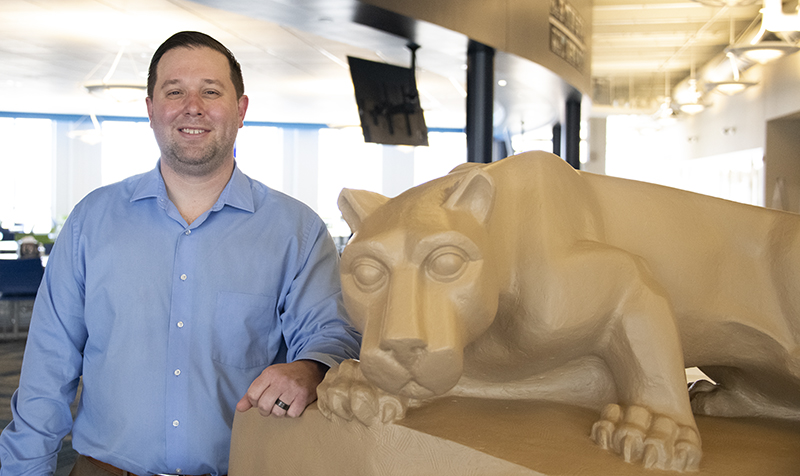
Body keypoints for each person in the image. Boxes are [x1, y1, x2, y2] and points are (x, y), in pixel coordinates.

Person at [0, 31, 361, 476]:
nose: (193, 106)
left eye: (211, 91)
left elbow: (332, 334)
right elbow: (47, 370)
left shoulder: (296, 231)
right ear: (151, 109)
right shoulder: (91, 221)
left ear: (241, 109)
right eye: (175, 92)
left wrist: (308, 368)